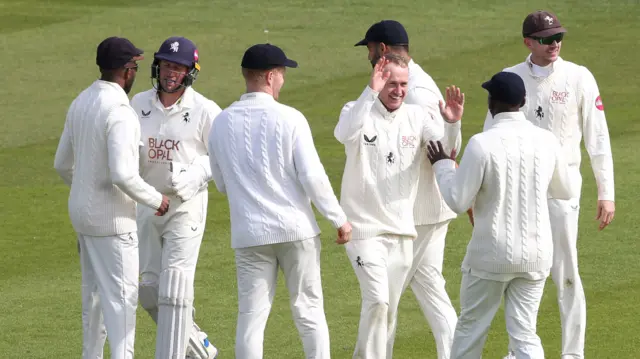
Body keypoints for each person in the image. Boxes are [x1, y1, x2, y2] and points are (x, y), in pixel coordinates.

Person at [483, 11, 616, 359]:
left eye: (558, 37)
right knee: (521, 274)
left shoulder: (579, 78)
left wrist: (607, 194)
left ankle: (573, 354)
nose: (554, 43)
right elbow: (489, 140)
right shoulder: (509, 79)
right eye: (545, 38)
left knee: (566, 274)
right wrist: (482, 193)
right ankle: (520, 351)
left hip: (562, 193)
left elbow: (597, 140)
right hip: (517, 195)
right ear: (528, 41)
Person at [207, 43, 353, 359]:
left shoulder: (220, 122)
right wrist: (338, 218)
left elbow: (221, 183)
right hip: (295, 230)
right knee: (309, 310)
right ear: (271, 76)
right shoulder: (290, 118)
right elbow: (312, 177)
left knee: (250, 316)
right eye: (283, 73)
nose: (284, 79)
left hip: (248, 235)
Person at [427, 71, 577, 359]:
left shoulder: (482, 143)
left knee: (470, 331)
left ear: (491, 104)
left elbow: (458, 201)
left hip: (490, 256)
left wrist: (443, 165)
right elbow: (566, 188)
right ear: (523, 101)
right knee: (525, 334)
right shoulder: (546, 140)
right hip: (536, 255)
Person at [335, 53, 462, 359]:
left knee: (386, 312)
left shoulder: (417, 117)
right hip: (364, 231)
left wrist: (453, 124)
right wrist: (369, 91)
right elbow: (344, 134)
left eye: (403, 84)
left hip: (403, 233)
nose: (398, 90)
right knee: (378, 300)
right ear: (379, 81)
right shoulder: (356, 110)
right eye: (391, 83)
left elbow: (446, 152)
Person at [53, 36, 170, 359]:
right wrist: (155, 199)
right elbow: (123, 174)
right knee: (121, 302)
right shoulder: (120, 111)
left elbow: (62, 164)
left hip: (82, 216)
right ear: (127, 70)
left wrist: (85, 189)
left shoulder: (81, 100)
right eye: (134, 66)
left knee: (93, 300)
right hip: (113, 223)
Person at [129, 36, 221, 359]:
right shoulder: (137, 104)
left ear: (190, 72)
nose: (171, 73)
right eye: (167, 65)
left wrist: (195, 174)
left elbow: (223, 156)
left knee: (175, 288)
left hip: (186, 206)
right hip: (148, 202)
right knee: (151, 290)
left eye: (178, 68)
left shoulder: (205, 110)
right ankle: (202, 350)